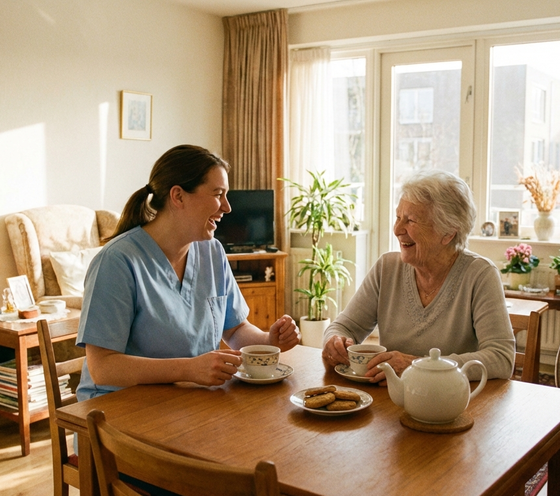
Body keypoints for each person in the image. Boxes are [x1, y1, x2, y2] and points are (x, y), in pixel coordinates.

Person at [76, 144, 301, 401]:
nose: (227, 207)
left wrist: (269, 341)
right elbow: (103, 368)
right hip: (117, 410)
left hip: (185, 403)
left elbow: (236, 330)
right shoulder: (117, 262)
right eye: (218, 194)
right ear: (178, 196)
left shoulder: (212, 252)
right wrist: (189, 369)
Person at [321, 170, 515, 383]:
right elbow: (344, 326)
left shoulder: (480, 275)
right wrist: (334, 341)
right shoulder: (386, 268)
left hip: (452, 406)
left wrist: (419, 367)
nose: (397, 229)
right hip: (391, 401)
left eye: (410, 220)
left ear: (448, 233)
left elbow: (501, 358)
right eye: (398, 217)